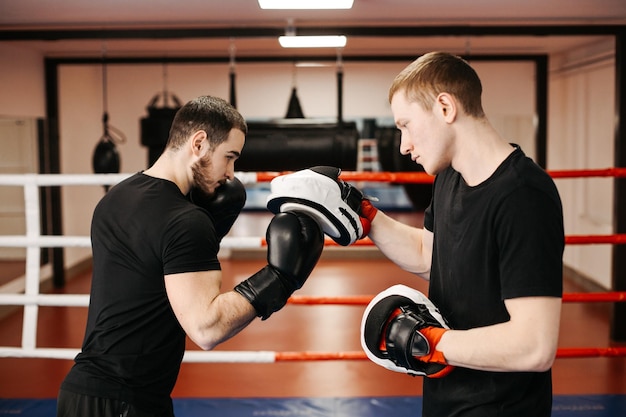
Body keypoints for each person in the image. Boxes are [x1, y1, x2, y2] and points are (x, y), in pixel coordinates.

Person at [56, 95, 328, 417]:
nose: (230, 173)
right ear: (199, 143)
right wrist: (280, 277)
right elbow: (207, 328)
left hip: (81, 393)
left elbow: (154, 273)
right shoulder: (185, 220)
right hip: (127, 402)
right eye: (229, 157)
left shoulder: (117, 197)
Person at [357, 52, 564, 416]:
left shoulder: (524, 195)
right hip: (445, 398)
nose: (403, 145)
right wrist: (365, 217)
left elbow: (535, 345)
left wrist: (434, 342)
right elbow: (429, 255)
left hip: (499, 407)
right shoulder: (449, 178)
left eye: (406, 124)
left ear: (445, 107)